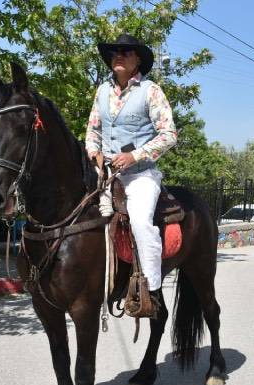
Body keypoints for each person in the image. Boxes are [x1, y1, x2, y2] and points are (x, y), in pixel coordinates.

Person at [85, 33, 177, 303]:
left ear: (138, 59)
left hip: (140, 175)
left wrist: (135, 156)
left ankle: (152, 291)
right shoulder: (102, 91)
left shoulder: (150, 90)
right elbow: (92, 130)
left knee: (139, 221)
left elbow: (169, 134)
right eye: (115, 52)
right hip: (106, 174)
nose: (119, 55)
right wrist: (94, 153)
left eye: (126, 51)